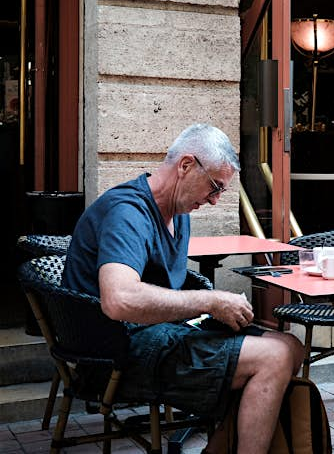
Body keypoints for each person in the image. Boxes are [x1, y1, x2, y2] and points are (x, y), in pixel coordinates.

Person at [62, 123, 304, 454]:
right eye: (215, 187)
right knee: (274, 357)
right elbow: (119, 300)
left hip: (156, 338)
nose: (216, 201)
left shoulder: (178, 213)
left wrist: (211, 310)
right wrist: (209, 301)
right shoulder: (128, 213)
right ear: (186, 165)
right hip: (115, 355)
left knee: (290, 345)